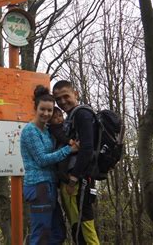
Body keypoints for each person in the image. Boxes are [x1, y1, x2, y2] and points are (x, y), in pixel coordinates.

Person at [21, 85, 79, 245]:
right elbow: (42, 159)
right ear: (35, 108)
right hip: (38, 186)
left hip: (49, 186)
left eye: (50, 110)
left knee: (57, 233)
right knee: (41, 235)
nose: (46, 113)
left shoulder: (47, 131)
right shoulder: (30, 131)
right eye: (43, 109)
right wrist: (69, 149)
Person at [52, 80, 100, 245]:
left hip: (79, 182)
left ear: (76, 94)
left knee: (85, 227)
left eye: (66, 96)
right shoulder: (71, 118)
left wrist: (73, 178)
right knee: (77, 228)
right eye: (58, 99)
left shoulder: (82, 114)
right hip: (73, 182)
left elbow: (86, 149)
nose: (63, 101)